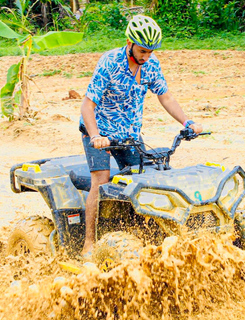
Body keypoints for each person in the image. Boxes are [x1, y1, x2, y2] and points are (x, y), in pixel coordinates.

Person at [78, 14, 203, 256]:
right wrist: (95, 136)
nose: (146, 56)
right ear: (130, 43)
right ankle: (89, 244)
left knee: (141, 179)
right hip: (99, 131)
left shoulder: (151, 64)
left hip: (129, 136)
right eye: (143, 51)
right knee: (101, 179)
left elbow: (165, 96)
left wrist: (188, 122)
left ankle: (139, 235)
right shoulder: (110, 63)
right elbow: (87, 106)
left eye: (151, 51)